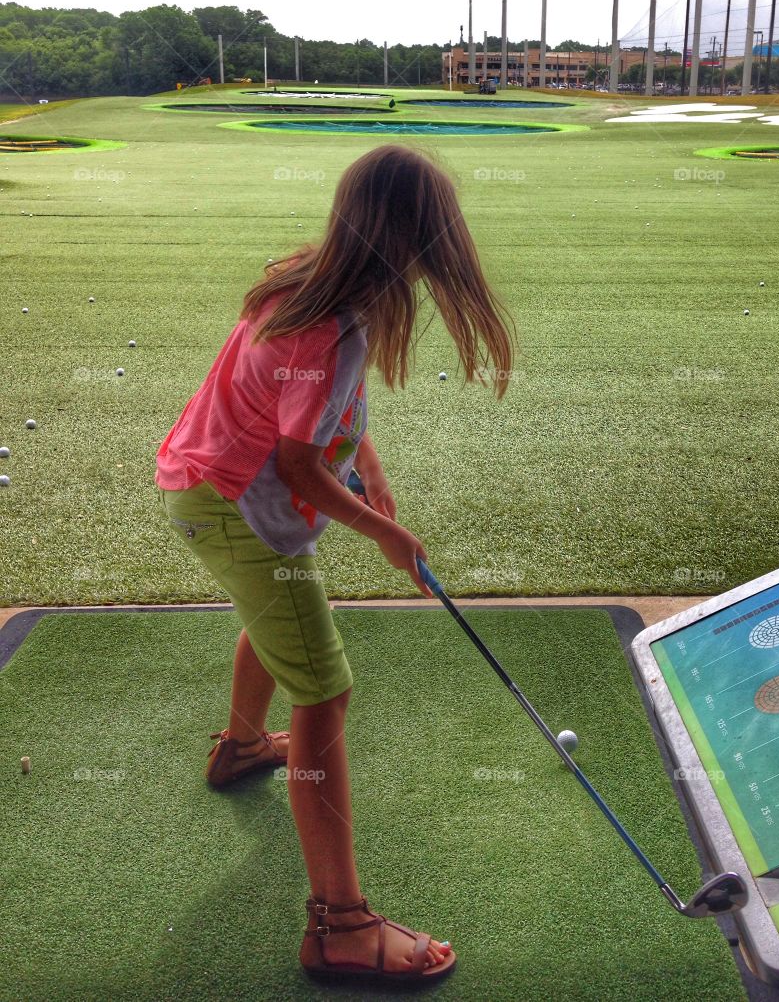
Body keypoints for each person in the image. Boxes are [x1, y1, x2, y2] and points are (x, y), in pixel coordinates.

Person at [155, 145, 514, 984]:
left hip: (206, 487)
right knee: (324, 688)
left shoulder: (305, 280)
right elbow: (299, 461)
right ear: (424, 238)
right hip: (241, 505)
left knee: (277, 625)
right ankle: (341, 925)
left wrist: (373, 466)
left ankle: (243, 745)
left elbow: (317, 420)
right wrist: (384, 531)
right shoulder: (339, 325)